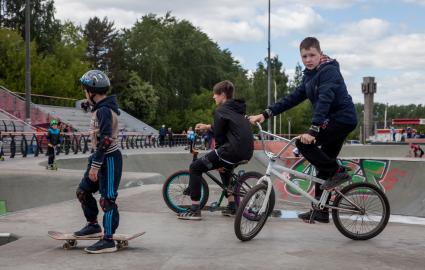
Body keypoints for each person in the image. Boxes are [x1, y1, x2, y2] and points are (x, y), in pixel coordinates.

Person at [249, 37, 358, 223]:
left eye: (312, 55)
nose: (308, 59)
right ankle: (321, 211)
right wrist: (266, 114)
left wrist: (313, 130)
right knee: (322, 166)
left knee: (303, 143)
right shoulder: (309, 75)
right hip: (332, 121)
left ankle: (338, 171)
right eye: (304, 56)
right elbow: (293, 98)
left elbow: (325, 99)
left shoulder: (329, 71)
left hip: (342, 119)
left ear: (320, 53)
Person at [178, 80, 254, 220]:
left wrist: (218, 156)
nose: (213, 97)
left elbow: (219, 136)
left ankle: (195, 210)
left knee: (195, 167)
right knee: (225, 171)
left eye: (215, 94)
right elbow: (226, 129)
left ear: (223, 95)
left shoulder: (221, 110)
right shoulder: (237, 109)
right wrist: (208, 127)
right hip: (246, 151)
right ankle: (232, 206)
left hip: (232, 151)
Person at [73, 70, 123, 254]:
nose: (84, 93)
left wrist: (95, 166)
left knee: (107, 200)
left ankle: (108, 239)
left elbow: (107, 139)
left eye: (85, 90)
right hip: (98, 156)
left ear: (91, 91)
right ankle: (93, 224)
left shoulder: (103, 110)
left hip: (108, 159)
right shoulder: (100, 107)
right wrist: (89, 106)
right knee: (83, 191)